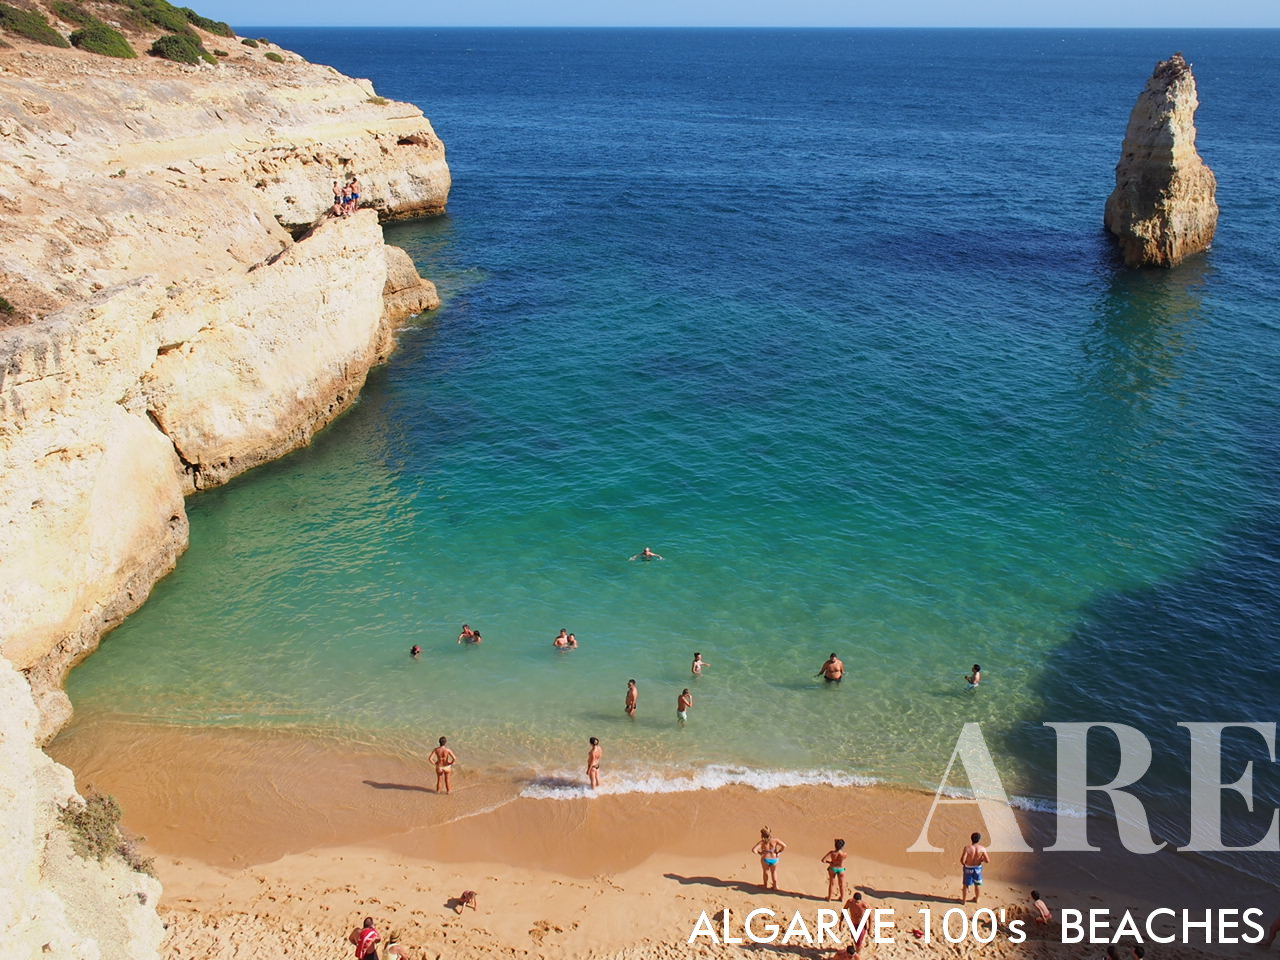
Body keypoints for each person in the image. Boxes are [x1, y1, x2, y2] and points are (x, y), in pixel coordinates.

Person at [960, 831, 990, 903]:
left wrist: (965, 864)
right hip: (977, 869)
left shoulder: (967, 848)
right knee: (977, 885)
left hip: (968, 868)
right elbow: (987, 860)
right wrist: (981, 859)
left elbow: (962, 860)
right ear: (979, 840)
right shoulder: (982, 849)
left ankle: (964, 901)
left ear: (971, 839)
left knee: (965, 885)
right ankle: (977, 899)